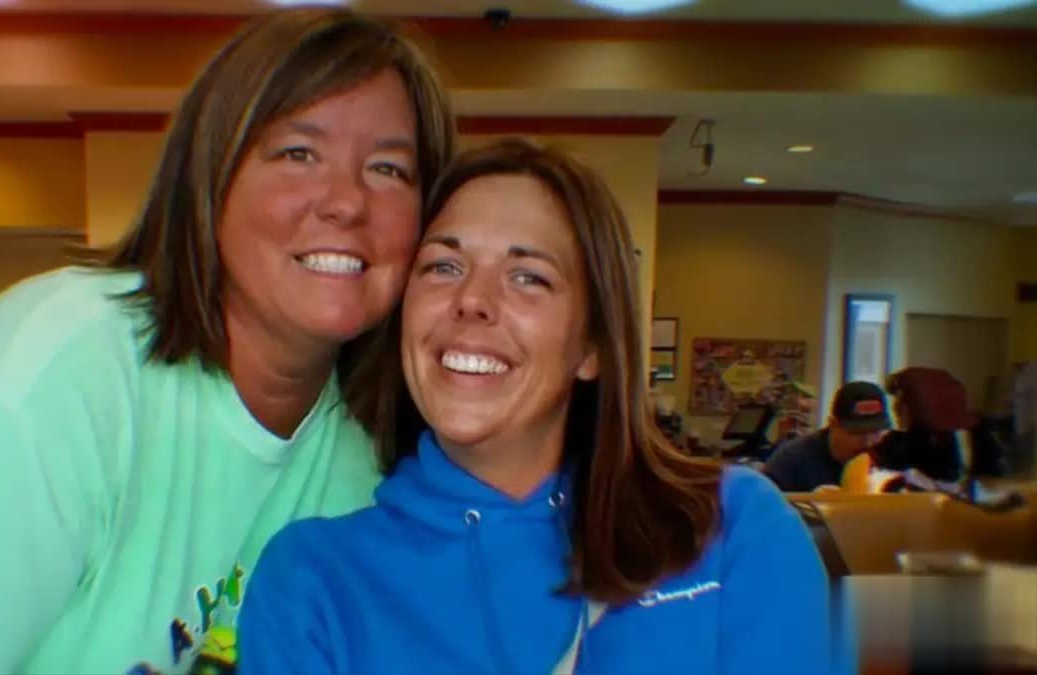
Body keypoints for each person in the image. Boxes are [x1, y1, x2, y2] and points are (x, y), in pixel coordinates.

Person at [0, 9, 454, 675]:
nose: (347, 202)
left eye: (389, 169)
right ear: (210, 177)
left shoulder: (372, 453)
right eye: (298, 154)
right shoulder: (41, 389)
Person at [238, 139, 833, 675]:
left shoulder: (731, 528)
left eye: (528, 277)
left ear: (592, 347)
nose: (472, 300)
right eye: (443, 266)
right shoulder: (312, 579)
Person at [763, 381, 891, 492]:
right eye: (857, 432)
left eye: (875, 431)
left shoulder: (889, 460)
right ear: (833, 424)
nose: (868, 442)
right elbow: (762, 507)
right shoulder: (792, 461)